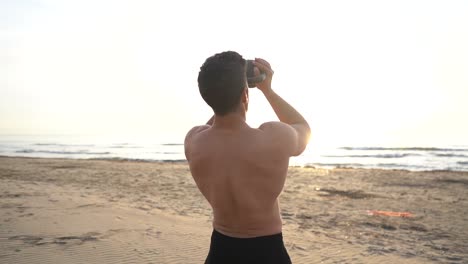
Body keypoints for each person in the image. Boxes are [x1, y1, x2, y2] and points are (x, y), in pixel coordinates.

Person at [184, 51, 311, 263]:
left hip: (220, 252)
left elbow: (218, 110)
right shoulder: (274, 137)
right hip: (268, 252)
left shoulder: (194, 141)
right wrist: (267, 89)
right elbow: (303, 129)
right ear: (245, 94)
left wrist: (225, 92)